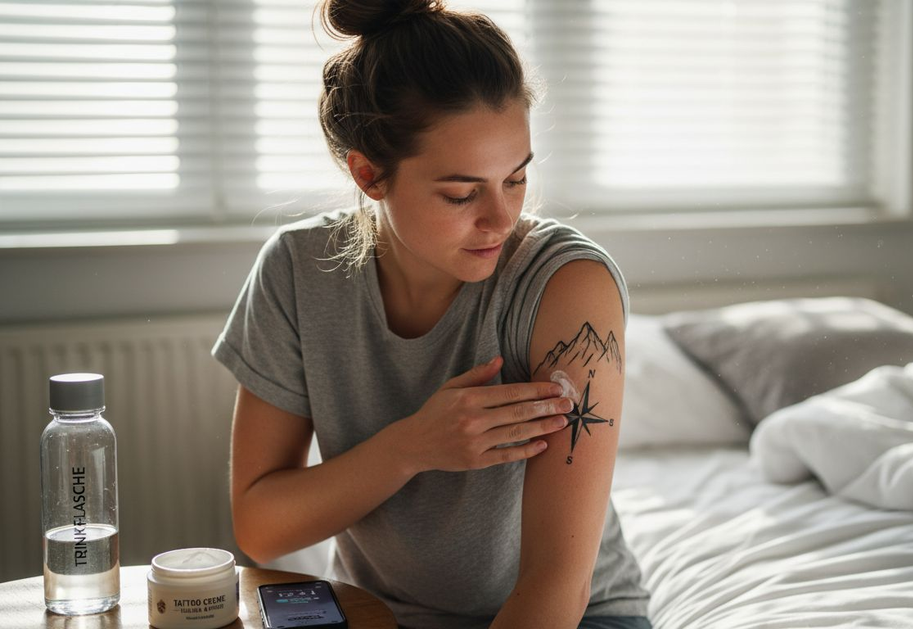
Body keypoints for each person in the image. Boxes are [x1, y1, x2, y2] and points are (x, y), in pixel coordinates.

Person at [211, 1, 652, 627]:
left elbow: (559, 584)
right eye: (461, 193)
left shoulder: (568, 285)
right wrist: (412, 447)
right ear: (368, 174)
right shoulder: (295, 270)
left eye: (516, 179)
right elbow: (261, 528)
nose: (501, 219)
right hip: (380, 614)